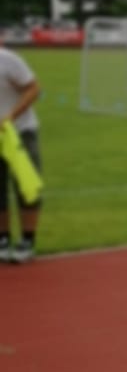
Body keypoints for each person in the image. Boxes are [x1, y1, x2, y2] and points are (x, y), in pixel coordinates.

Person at [0, 40, 43, 263]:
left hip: (20, 131)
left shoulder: (8, 60)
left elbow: (34, 88)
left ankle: (27, 240)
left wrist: (11, 116)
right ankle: (3, 239)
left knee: (26, 185)